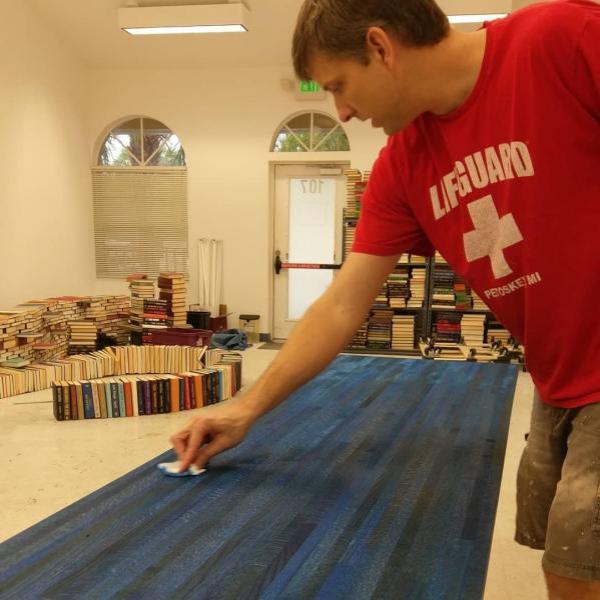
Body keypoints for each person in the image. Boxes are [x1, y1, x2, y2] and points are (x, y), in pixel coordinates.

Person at [171, 0, 599, 596]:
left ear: (380, 46)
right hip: (558, 381)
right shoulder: (404, 167)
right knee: (555, 548)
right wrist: (245, 408)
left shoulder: (559, 38)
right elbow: (341, 305)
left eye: (340, 86)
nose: (343, 110)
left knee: (575, 568)